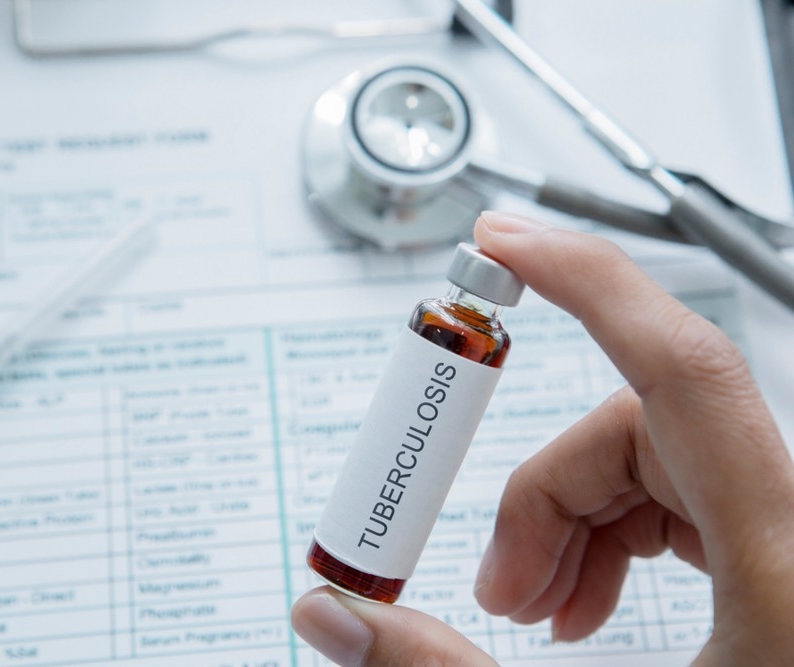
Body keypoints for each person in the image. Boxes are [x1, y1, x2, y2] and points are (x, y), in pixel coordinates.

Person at [290, 211, 794, 666]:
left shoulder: (488, 341)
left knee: (406, 457)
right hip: (351, 549)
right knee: (402, 457)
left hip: (376, 562)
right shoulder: (436, 319)